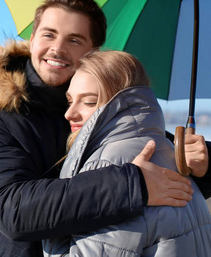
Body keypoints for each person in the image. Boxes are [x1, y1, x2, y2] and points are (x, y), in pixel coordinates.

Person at [0, 0, 210, 257]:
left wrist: (203, 164)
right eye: (49, 34)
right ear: (32, 40)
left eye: (74, 39)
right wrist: (132, 185)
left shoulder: (105, 114)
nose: (58, 48)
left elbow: (161, 167)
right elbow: (13, 211)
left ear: (92, 52)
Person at [42, 50, 211, 256]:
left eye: (88, 102)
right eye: (70, 101)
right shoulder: (168, 151)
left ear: (120, 104)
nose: (69, 113)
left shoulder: (111, 163)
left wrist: (51, 228)